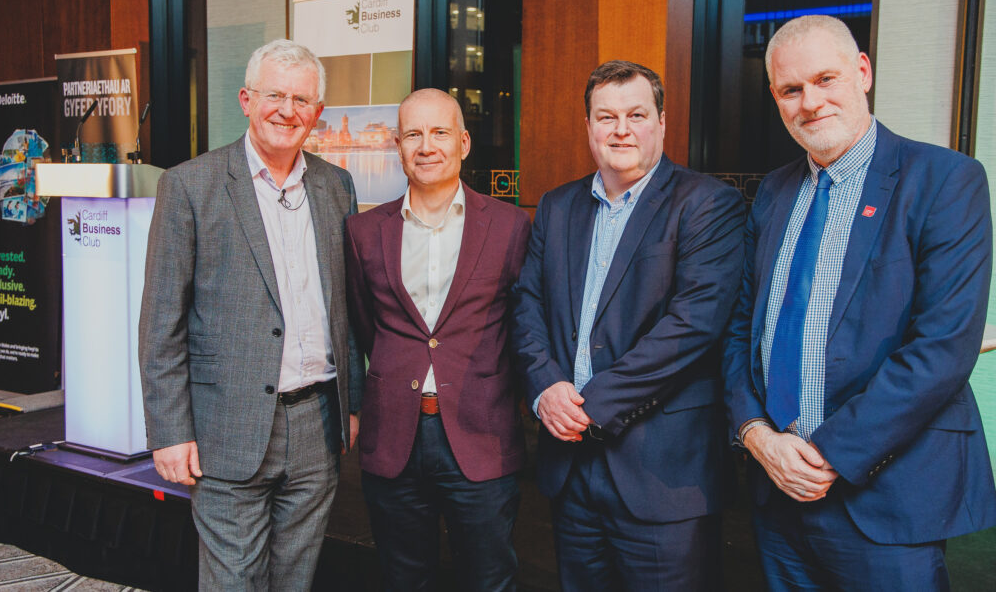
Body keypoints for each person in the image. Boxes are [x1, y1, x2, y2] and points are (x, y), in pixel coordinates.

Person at [722, 14, 996, 590]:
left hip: (888, 495)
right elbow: (742, 327)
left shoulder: (946, 179)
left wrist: (825, 455)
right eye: (791, 90)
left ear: (862, 72)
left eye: (826, 79)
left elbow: (943, 348)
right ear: (775, 96)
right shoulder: (772, 192)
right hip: (778, 490)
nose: (811, 102)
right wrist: (756, 435)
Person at [511, 60, 744, 590]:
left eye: (636, 114)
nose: (621, 129)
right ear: (589, 126)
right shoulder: (557, 206)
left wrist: (587, 406)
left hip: (661, 470)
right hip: (569, 465)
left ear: (662, 121)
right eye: (605, 116)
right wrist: (546, 387)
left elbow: (692, 328)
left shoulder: (707, 203)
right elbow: (527, 305)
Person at [139, 39, 362, 590]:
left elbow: (349, 310)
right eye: (274, 96)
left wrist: (351, 404)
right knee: (233, 581)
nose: (287, 110)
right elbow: (161, 322)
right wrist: (169, 432)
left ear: (318, 113)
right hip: (225, 428)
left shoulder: (337, 187)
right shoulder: (190, 186)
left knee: (295, 578)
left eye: (302, 100)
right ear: (245, 99)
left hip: (317, 424)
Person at [345, 88, 530, 591]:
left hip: (480, 435)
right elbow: (366, 326)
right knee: (404, 579)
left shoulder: (512, 226)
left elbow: (522, 328)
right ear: (397, 146)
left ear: (464, 143)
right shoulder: (364, 232)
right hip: (394, 439)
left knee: (490, 580)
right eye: (413, 134)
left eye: (440, 132)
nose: (427, 145)